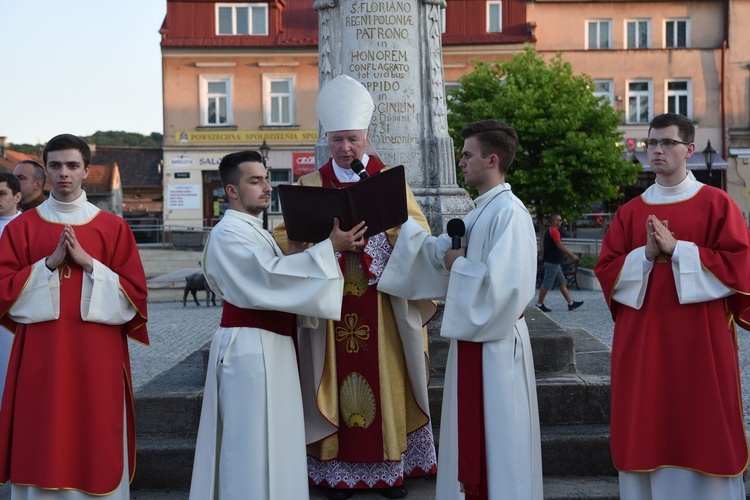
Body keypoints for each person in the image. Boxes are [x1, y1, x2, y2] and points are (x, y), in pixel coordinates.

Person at [274, 74, 437, 500]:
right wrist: (316, 244)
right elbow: (282, 238)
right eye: (336, 140)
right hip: (331, 305)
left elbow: (419, 232)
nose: (345, 149)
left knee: (386, 377)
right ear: (326, 140)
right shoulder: (310, 186)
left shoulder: (388, 181)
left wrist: (382, 238)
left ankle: (389, 467)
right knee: (331, 377)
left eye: (352, 139)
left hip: (381, 302)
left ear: (366, 136)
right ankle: (337, 473)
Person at [189, 150, 368, 500]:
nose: (267, 187)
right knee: (250, 441)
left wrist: (298, 254)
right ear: (232, 191)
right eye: (255, 181)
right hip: (249, 349)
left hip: (272, 345)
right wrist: (328, 248)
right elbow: (266, 281)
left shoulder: (254, 230)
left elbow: (276, 276)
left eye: (266, 178)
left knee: (276, 436)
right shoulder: (229, 233)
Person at [378, 119, 543, 499]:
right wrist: (393, 226)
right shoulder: (480, 211)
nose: (462, 162)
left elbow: (508, 287)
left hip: (497, 343)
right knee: (474, 432)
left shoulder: (510, 214)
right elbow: (439, 252)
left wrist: (458, 265)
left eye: (468, 155)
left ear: (492, 160)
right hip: (475, 340)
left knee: (501, 437)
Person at [594, 113, 750, 500]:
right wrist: (644, 257)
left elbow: (740, 264)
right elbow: (606, 270)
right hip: (643, 342)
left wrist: (678, 251)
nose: (657, 150)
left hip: (702, 340)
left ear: (690, 150)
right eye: (652, 143)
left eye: (667, 143)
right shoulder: (630, 212)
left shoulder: (717, 204)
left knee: (701, 421)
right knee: (647, 419)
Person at [0, 133, 149, 498]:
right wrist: (48, 265)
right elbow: (2, 291)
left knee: (97, 427)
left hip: (98, 355)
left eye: (72, 165)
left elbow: (136, 297)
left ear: (86, 170)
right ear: (45, 172)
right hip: (41, 355)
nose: (63, 173)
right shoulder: (22, 228)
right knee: (43, 430)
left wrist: (90, 264)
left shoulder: (113, 227)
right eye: (55, 166)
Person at [535, 213, 584, 312]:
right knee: (546, 284)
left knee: (562, 283)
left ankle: (570, 303)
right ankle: (539, 304)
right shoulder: (554, 232)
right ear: (555, 221)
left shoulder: (548, 231)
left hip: (554, 262)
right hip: (552, 263)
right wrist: (572, 255)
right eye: (559, 220)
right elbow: (560, 246)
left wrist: (549, 251)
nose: (561, 222)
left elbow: (542, 244)